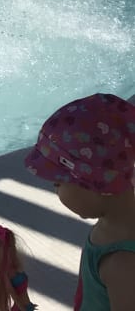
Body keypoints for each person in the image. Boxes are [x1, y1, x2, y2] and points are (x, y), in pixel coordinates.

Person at [24, 93, 135, 311]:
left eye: (58, 182)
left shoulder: (123, 264)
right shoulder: (111, 226)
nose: (55, 189)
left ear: (97, 183)